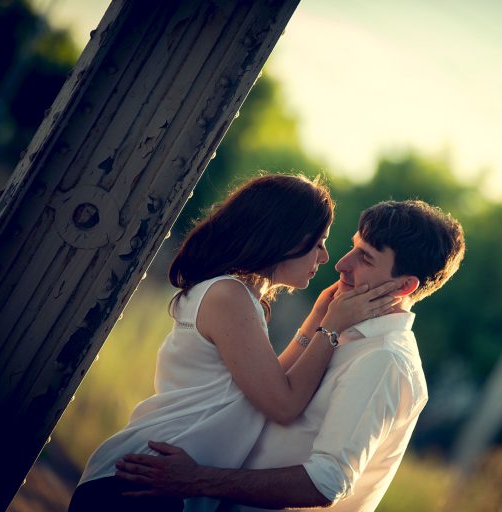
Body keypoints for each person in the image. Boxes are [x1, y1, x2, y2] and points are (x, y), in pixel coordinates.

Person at [68, 174, 401, 512]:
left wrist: (318, 315)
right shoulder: (228, 295)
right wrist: (332, 327)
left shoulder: (237, 296)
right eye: (318, 242)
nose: (326, 257)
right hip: (140, 483)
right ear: (284, 237)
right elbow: (282, 404)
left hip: (159, 484)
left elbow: (267, 386)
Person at [114, 199, 466, 511]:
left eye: (366, 258)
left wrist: (197, 480)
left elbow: (326, 482)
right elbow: (269, 394)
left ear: (403, 287)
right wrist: (318, 321)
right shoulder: (343, 333)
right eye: (352, 247)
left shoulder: (383, 360)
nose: (342, 264)